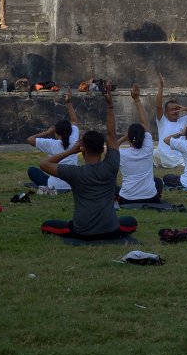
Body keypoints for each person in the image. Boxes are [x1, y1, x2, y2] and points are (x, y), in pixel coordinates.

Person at [39, 84, 137, 240]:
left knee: (46, 225)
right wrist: (110, 106)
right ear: (101, 149)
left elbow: (44, 164)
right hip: (110, 229)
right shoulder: (111, 166)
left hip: (82, 231)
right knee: (131, 222)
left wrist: (71, 151)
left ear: (82, 149)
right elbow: (112, 136)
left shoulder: (75, 173)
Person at [116, 84, 163, 204]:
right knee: (157, 182)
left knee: (112, 187)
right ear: (144, 137)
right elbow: (144, 122)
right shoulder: (148, 148)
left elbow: (111, 149)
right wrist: (137, 100)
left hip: (127, 199)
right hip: (150, 197)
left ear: (129, 139)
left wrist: (124, 137)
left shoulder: (121, 154)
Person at [26, 88, 79, 190]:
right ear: (70, 131)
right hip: (72, 185)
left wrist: (47, 132)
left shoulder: (50, 144)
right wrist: (68, 102)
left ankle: (45, 185)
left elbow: (30, 139)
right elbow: (74, 120)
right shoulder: (74, 140)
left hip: (54, 186)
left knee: (32, 170)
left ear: (56, 132)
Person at [153, 74, 187, 171]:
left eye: (176, 109)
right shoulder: (162, 121)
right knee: (154, 153)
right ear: (166, 112)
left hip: (179, 157)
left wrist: (185, 108)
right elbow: (158, 106)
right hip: (163, 155)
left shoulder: (184, 120)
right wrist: (161, 87)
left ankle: (169, 166)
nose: (175, 111)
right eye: (172, 110)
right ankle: (164, 165)